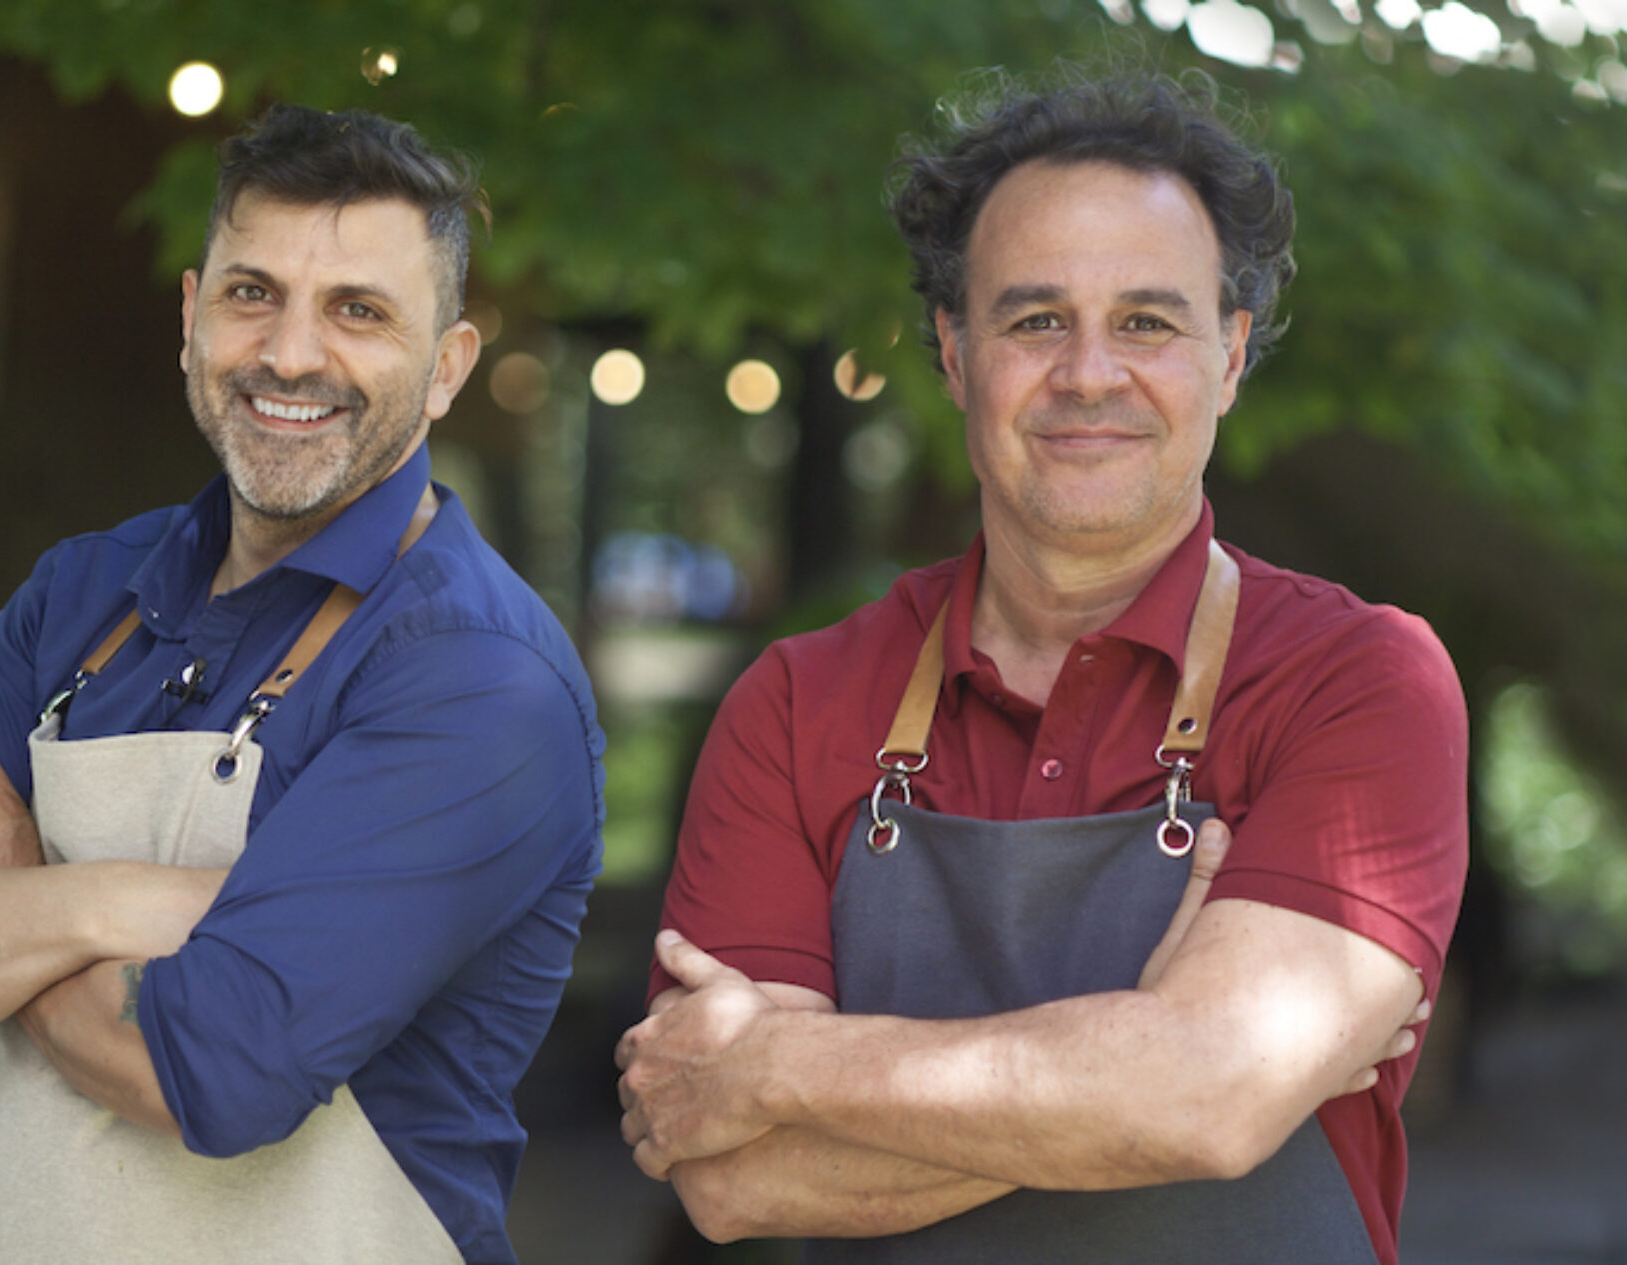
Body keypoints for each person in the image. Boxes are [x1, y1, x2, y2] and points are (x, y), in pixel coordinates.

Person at [616, 68, 1466, 1264]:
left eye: (1146, 322)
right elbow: (730, 1172)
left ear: (1227, 359)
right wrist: (1146, 1061)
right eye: (1032, 319)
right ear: (955, 356)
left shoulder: (1359, 679)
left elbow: (1208, 1099)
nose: (1087, 374)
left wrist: (778, 1063)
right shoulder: (801, 702)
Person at [0, 105, 604, 1265]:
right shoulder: (80, 592)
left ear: (447, 368)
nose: (288, 354)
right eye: (251, 293)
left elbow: (204, 1071)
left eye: (359, 312)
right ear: (190, 317)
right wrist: (109, 899)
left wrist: (2, 895)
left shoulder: (479, 678)